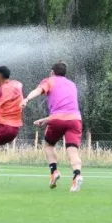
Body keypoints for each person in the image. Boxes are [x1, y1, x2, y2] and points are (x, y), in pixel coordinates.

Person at [21, 61, 83, 192]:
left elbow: (38, 91)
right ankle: (77, 175)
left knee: (49, 145)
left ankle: (54, 171)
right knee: (72, 150)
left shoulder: (50, 80)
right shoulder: (72, 85)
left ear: (52, 72)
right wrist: (46, 119)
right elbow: (67, 108)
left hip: (57, 119)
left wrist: (27, 99)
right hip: (75, 119)